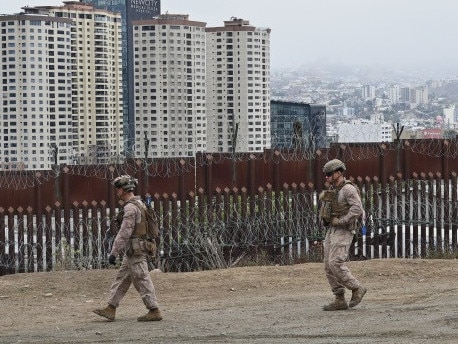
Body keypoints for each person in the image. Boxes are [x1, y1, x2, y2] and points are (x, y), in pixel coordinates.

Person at [93, 175, 162, 321]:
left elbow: (125, 232)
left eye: (118, 188)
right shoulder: (140, 203)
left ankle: (154, 310)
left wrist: (113, 253)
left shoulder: (130, 208)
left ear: (123, 189)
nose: (116, 191)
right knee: (122, 278)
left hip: (136, 249)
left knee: (142, 278)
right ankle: (111, 307)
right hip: (134, 249)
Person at [319, 159, 367, 311]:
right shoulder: (335, 189)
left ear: (339, 172)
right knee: (328, 265)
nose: (326, 177)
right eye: (325, 175)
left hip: (344, 229)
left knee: (335, 262)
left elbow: (357, 209)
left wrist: (341, 220)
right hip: (332, 230)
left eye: (329, 174)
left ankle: (357, 287)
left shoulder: (348, 189)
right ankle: (339, 298)